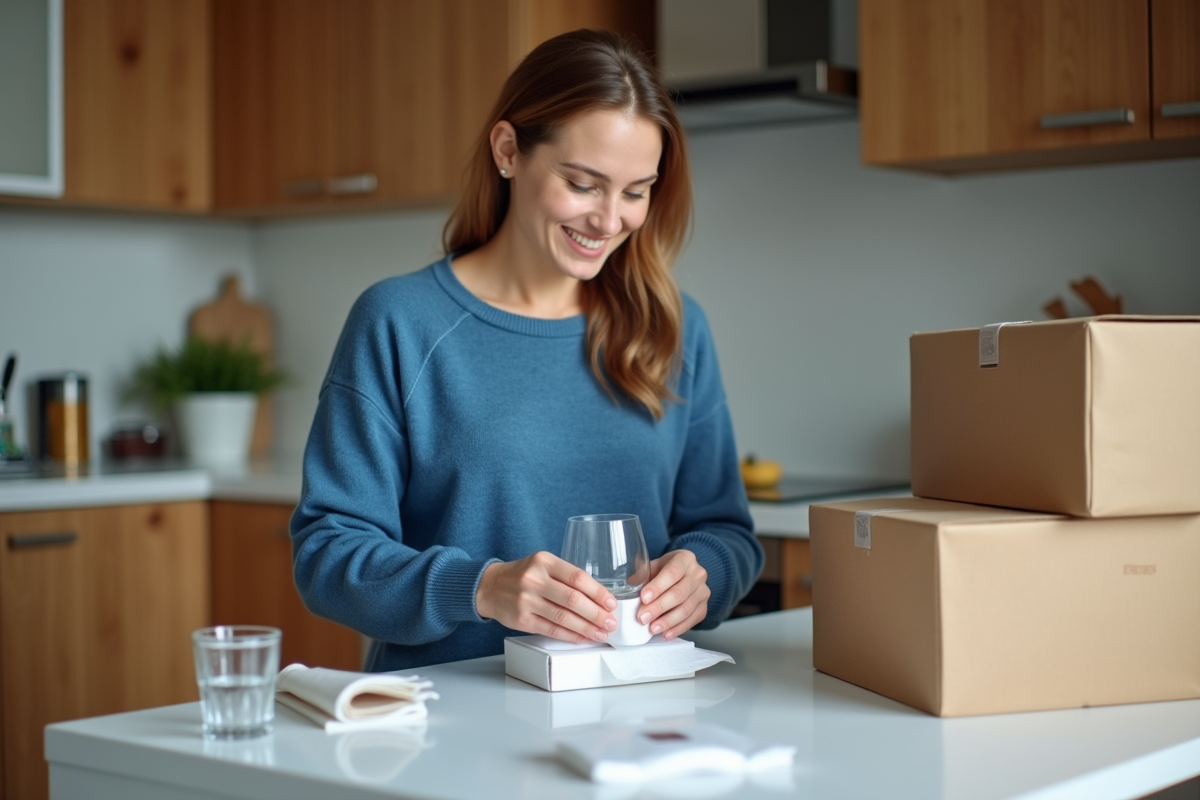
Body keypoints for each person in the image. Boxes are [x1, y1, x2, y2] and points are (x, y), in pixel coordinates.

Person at [290, 29, 763, 672]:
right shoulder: (400, 321)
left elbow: (729, 534)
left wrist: (703, 573)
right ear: (509, 151)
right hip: (452, 711)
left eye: (635, 191)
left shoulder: (673, 328)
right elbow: (326, 555)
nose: (609, 221)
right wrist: (481, 588)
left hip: (636, 708)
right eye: (583, 183)